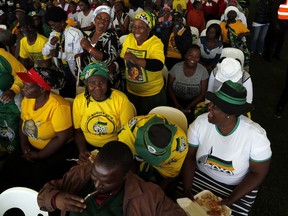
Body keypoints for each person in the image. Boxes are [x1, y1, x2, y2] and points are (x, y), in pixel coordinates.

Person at [181, 80, 272, 216]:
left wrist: (231, 199)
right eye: (211, 103)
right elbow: (189, 157)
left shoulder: (256, 137)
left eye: (215, 107)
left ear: (230, 113)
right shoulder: (200, 123)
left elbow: (257, 173)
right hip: (200, 175)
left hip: (235, 187)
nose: (209, 107)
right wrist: (187, 189)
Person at [37, 140, 187, 216]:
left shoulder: (149, 195)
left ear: (125, 175)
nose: (96, 185)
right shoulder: (80, 174)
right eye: (95, 176)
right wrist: (56, 199)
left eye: (105, 182)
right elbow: (42, 197)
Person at [0, 66, 78, 192]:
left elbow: (62, 138)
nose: (23, 89)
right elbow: (23, 121)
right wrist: (24, 145)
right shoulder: (27, 100)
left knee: (38, 180)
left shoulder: (59, 106)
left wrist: (40, 155)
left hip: (55, 150)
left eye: (27, 87)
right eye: (24, 85)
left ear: (41, 88)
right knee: (8, 169)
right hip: (32, 146)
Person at [73, 62, 135, 165]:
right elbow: (78, 130)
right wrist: (82, 150)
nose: (97, 87)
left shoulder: (120, 99)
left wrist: (113, 154)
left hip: (115, 147)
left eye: (101, 82)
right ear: (87, 85)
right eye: (92, 83)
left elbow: (127, 133)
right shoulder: (79, 101)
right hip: (88, 148)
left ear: (107, 82)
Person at [118, 114, 188, 194]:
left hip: (163, 168)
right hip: (136, 160)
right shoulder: (131, 131)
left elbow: (169, 177)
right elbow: (125, 157)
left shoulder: (179, 149)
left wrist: (157, 193)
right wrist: (131, 181)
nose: (148, 158)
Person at [120, 11, 166, 115]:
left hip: (151, 94)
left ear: (148, 29)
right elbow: (122, 57)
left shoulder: (156, 43)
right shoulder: (129, 38)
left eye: (140, 27)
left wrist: (136, 59)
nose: (136, 30)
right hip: (131, 91)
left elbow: (158, 65)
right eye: (134, 26)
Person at [43, 6, 84, 98]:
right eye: (50, 26)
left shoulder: (75, 33)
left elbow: (78, 57)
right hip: (61, 68)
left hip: (73, 69)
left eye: (53, 24)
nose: (52, 27)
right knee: (63, 95)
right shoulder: (53, 33)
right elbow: (45, 53)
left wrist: (59, 54)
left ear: (62, 22)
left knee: (75, 95)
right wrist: (50, 44)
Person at [80, 5, 121, 86]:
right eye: (100, 18)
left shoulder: (111, 35)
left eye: (106, 20)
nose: (102, 21)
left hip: (105, 79)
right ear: (94, 19)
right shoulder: (91, 34)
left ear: (109, 23)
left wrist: (89, 48)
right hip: (91, 76)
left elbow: (109, 60)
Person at [168, 45, 209, 123]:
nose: (193, 59)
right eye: (190, 55)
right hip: (175, 100)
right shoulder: (176, 67)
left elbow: (202, 94)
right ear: (185, 55)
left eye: (197, 57)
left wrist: (188, 108)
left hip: (194, 102)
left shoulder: (203, 71)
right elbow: (169, 87)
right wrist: (176, 104)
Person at [0, 48, 25, 156]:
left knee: (17, 128)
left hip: (12, 102)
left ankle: (19, 154)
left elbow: (23, 74)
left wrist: (13, 90)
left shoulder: (2, 55)